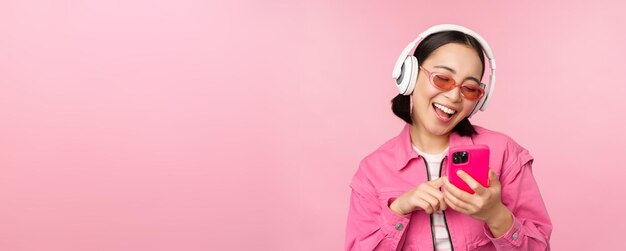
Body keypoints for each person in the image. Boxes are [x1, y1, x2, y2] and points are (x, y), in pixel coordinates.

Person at [345, 24, 552, 250]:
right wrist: (398, 210)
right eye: (442, 78)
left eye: (470, 89)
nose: (454, 96)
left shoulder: (504, 153)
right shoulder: (372, 172)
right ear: (409, 76)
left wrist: (495, 215)